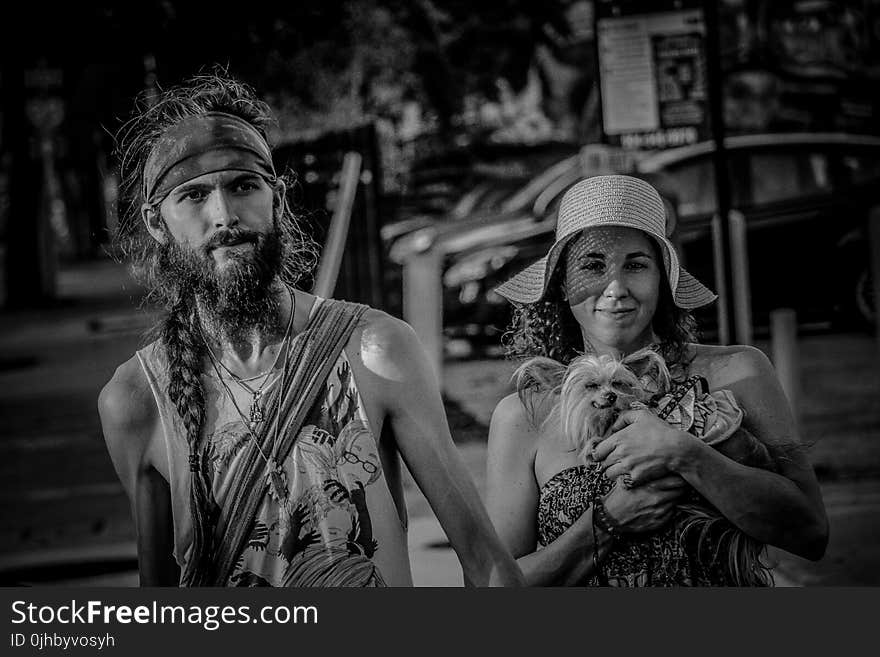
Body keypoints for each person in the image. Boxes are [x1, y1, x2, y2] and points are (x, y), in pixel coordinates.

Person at [98, 72, 524, 587]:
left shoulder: (374, 350)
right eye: (192, 196)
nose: (224, 215)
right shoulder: (135, 399)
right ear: (154, 222)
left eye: (243, 185)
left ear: (275, 198)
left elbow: (488, 564)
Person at [485, 174, 828, 586]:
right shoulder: (524, 414)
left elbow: (810, 533)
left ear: (663, 280)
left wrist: (686, 454)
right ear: (561, 283)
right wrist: (606, 522)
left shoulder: (737, 372)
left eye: (635, 265)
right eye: (593, 266)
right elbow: (493, 585)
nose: (615, 288)